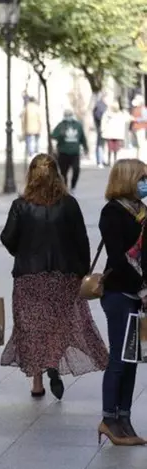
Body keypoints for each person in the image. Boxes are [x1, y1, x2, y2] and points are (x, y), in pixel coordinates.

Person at [0, 154, 108, 399]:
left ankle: (37, 382)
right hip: (63, 276)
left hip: (29, 277)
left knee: (32, 327)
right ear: (57, 175)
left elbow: (7, 237)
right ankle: (53, 365)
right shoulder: (69, 204)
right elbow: (81, 240)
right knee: (58, 324)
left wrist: (21, 251)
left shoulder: (20, 205)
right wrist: (83, 271)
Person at [96, 159, 147, 446]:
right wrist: (141, 288)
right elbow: (117, 258)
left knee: (132, 360)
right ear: (128, 179)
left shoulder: (142, 211)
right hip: (119, 293)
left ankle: (124, 417)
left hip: (140, 295)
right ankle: (108, 418)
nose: (145, 183)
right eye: (142, 178)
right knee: (118, 358)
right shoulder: (113, 212)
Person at [51, 110, 88, 191]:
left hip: (75, 153)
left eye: (69, 115)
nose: (68, 117)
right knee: (63, 172)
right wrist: (59, 136)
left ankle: (73, 186)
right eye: (67, 115)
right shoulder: (61, 125)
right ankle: (65, 188)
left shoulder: (78, 125)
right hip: (63, 153)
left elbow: (82, 138)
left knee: (76, 170)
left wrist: (86, 148)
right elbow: (53, 136)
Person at [102, 101, 129, 166]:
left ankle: (112, 161)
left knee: (113, 149)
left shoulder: (120, 113)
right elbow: (103, 121)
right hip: (113, 133)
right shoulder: (108, 113)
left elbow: (127, 119)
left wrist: (103, 130)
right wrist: (103, 129)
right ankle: (112, 161)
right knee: (112, 149)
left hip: (113, 133)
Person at [131, 95, 147, 162]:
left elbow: (145, 118)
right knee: (137, 145)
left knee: (141, 144)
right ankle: (137, 158)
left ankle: (141, 159)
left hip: (141, 128)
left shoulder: (143, 109)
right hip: (135, 128)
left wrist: (135, 119)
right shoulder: (135, 108)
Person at [93, 94, 108, 166]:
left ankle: (101, 160)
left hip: (101, 127)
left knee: (102, 145)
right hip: (101, 127)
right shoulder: (100, 106)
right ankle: (100, 160)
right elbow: (98, 116)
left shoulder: (100, 105)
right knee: (100, 144)